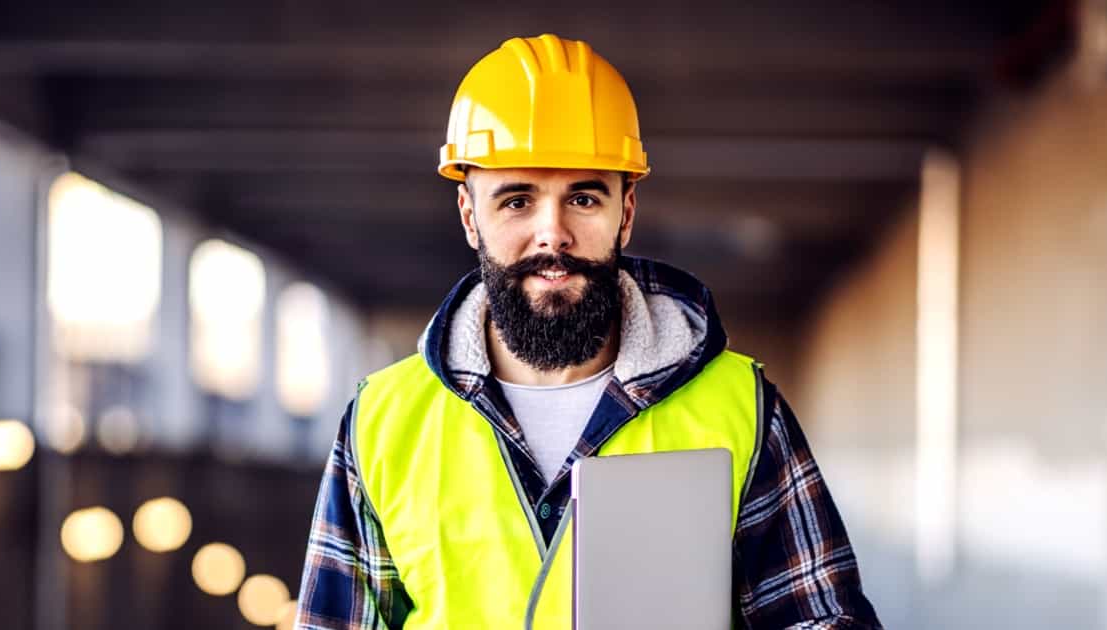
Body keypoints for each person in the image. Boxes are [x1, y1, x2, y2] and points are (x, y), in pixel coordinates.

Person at [295, 34, 881, 629]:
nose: (553, 233)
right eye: (517, 201)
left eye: (582, 198)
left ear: (626, 212)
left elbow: (824, 619)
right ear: (470, 216)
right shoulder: (382, 424)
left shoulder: (742, 410)